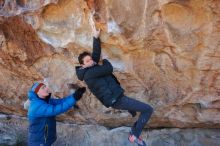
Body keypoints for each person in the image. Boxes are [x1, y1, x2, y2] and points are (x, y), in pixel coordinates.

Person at [75, 20, 153, 146]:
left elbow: (95, 55)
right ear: (82, 65)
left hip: (115, 97)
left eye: (90, 60)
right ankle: (134, 135)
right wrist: (105, 60)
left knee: (133, 107)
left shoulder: (88, 70)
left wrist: (95, 36)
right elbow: (108, 68)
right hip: (116, 100)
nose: (91, 62)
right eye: (87, 61)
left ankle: (132, 115)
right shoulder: (89, 74)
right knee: (148, 110)